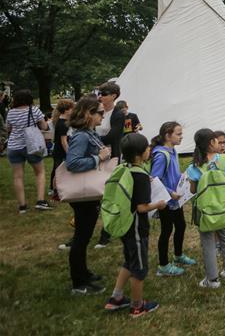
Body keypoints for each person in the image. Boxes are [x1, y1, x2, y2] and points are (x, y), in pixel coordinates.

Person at [103, 132, 168, 316]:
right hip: (136, 227)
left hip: (125, 224)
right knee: (139, 269)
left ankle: (116, 298)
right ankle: (137, 306)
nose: (150, 150)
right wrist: (159, 204)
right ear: (140, 154)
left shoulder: (126, 168)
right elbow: (141, 207)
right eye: (147, 147)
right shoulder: (140, 176)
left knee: (129, 262)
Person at [65, 95, 112, 294]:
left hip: (90, 193)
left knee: (85, 236)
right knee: (81, 237)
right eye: (100, 113)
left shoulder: (89, 132)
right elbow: (73, 163)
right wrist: (97, 158)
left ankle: (84, 272)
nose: (103, 116)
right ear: (88, 114)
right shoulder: (82, 136)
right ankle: (79, 282)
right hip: (82, 195)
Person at [186, 128, 225, 288]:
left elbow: (192, 190)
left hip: (206, 210)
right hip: (224, 207)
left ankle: (212, 279)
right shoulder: (224, 159)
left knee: (208, 242)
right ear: (212, 142)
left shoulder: (194, 166)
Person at [150, 121, 196, 277]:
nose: (181, 137)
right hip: (166, 201)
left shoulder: (172, 151)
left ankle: (178, 255)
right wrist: (170, 192)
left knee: (181, 225)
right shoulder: (161, 155)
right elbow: (155, 178)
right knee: (167, 230)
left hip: (176, 199)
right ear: (167, 136)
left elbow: (171, 173)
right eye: (178, 134)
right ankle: (163, 265)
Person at [5, 89, 52, 213]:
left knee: (18, 177)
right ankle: (40, 201)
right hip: (32, 146)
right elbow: (44, 127)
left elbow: (8, 129)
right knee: (40, 172)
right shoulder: (34, 110)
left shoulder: (11, 112)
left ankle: (22, 206)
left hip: (14, 146)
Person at [95, 81, 125, 248]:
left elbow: (114, 136)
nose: (101, 96)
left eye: (104, 93)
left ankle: (105, 234)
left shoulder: (118, 114)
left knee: (108, 194)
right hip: (95, 156)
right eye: (99, 93)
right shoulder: (96, 110)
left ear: (113, 95)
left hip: (110, 157)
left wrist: (92, 140)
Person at [50, 98, 76, 200]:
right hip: (60, 151)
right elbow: (63, 141)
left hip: (60, 150)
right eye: (72, 109)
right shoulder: (63, 123)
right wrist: (69, 153)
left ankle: (55, 188)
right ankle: (54, 190)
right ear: (66, 110)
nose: (73, 111)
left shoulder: (63, 121)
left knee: (58, 170)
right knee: (58, 170)